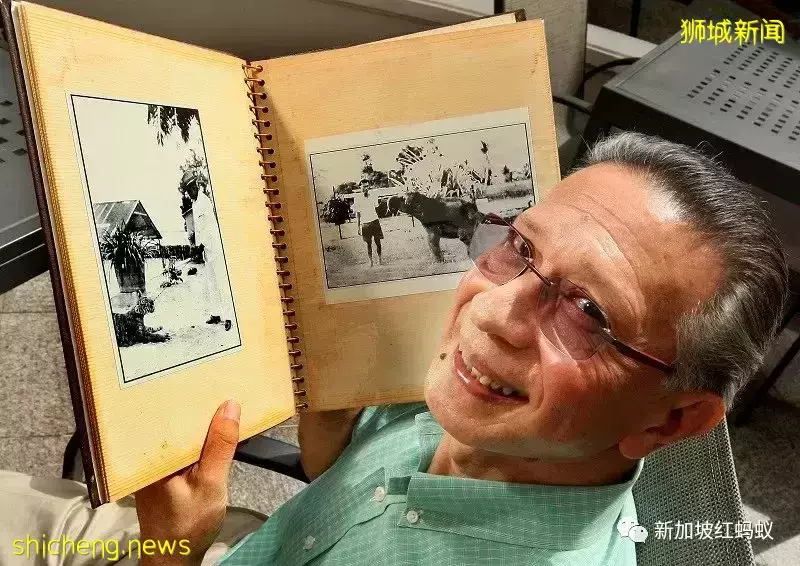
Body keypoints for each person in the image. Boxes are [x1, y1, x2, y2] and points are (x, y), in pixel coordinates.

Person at [0, 133, 789, 565]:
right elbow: (333, 471)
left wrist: (171, 549)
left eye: (586, 310)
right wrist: (329, 415)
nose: (495, 312)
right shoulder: (494, 415)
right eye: (519, 247)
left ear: (674, 421)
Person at [183, 170, 232, 331]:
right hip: (206, 251)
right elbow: (199, 228)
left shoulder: (204, 202)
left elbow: (210, 228)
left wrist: (201, 245)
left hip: (215, 247)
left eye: (191, 188)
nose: (190, 192)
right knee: (211, 283)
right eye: (187, 189)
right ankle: (216, 313)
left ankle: (229, 317)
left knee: (221, 282)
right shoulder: (195, 204)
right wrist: (196, 247)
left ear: (197, 185)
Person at [355, 179, 384, 267]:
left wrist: (381, 203)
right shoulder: (357, 198)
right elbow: (358, 213)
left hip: (375, 221)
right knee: (368, 243)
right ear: (360, 187)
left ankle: (380, 260)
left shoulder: (373, 196)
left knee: (378, 242)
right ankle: (370, 261)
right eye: (364, 187)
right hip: (365, 224)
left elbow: (377, 207)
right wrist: (358, 227)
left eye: (367, 186)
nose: (366, 188)